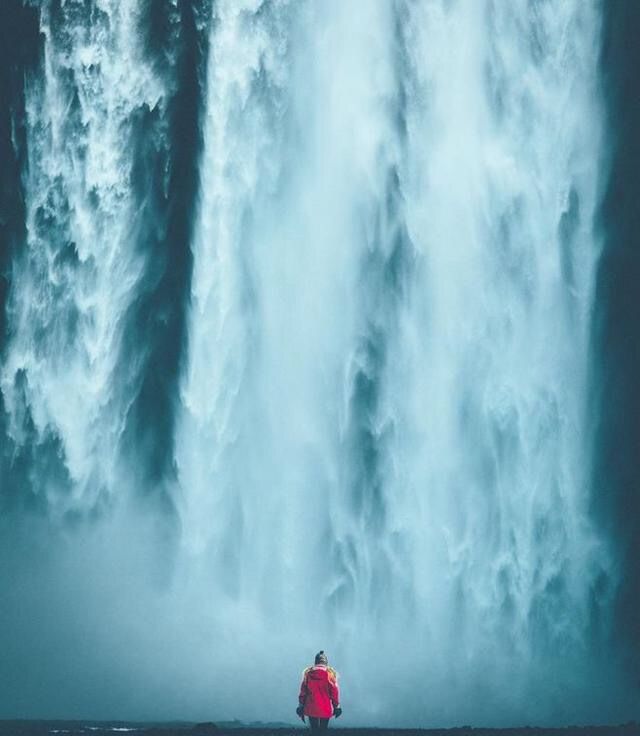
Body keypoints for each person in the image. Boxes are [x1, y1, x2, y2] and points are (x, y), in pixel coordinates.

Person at [296, 650, 342, 731]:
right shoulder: (330, 675)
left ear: (316, 662)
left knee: (314, 731)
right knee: (323, 731)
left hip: (311, 708)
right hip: (325, 708)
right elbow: (334, 693)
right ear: (326, 662)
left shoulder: (308, 674)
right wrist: (336, 706)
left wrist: (300, 706)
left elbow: (303, 693)